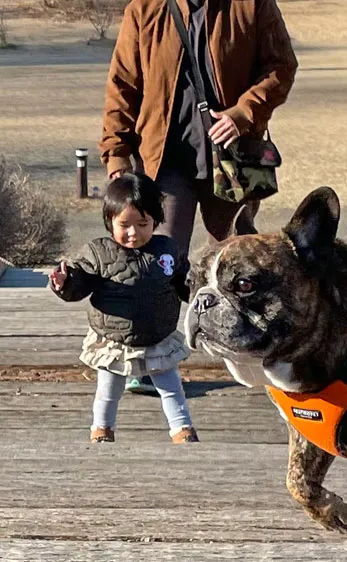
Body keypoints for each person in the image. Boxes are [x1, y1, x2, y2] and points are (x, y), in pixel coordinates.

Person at [99, 0, 297, 393]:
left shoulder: (251, 4)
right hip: (165, 159)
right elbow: (123, 83)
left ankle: (251, 358)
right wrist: (117, 151)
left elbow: (281, 67)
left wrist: (244, 113)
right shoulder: (145, 8)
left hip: (232, 159)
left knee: (239, 264)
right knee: (160, 258)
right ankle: (148, 357)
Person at [49, 173, 198, 444]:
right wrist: (65, 283)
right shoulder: (97, 253)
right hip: (112, 338)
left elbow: (183, 282)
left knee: (171, 387)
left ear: (156, 220)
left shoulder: (167, 250)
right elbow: (79, 283)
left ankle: (182, 430)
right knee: (108, 389)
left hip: (157, 334)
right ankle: (101, 430)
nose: (134, 233)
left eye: (143, 224)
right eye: (124, 225)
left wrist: (198, 289)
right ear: (110, 223)